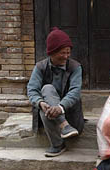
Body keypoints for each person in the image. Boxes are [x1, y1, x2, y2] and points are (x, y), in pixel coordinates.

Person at [27, 27, 84, 157]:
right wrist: (40, 102)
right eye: (62, 53)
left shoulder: (75, 67)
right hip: (49, 113)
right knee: (46, 90)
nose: (66, 56)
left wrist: (61, 107)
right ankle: (60, 137)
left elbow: (75, 91)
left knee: (47, 93)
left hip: (70, 114)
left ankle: (64, 128)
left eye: (68, 52)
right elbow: (32, 90)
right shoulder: (40, 67)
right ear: (51, 53)